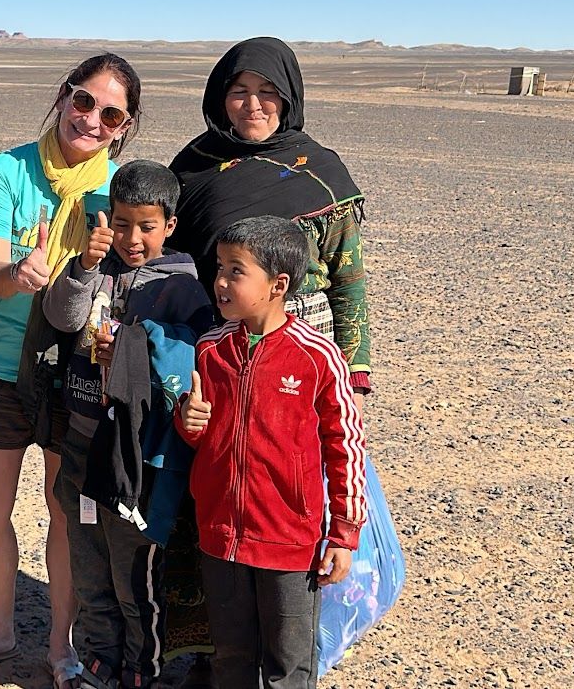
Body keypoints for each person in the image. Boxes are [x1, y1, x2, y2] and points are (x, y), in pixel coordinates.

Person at [165, 37, 374, 685]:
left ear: (288, 98)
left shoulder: (321, 170)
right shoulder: (194, 166)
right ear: (218, 97)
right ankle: (206, 654)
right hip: (215, 347)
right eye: (238, 91)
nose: (251, 105)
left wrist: (355, 367)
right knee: (209, 499)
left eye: (266, 92)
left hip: (301, 350)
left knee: (295, 497)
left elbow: (349, 278)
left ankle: (294, 656)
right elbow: (167, 256)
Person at [0, 54, 142, 688]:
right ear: (63, 96)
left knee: (66, 515)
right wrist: (17, 275)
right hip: (0, 366)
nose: (91, 119)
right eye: (83, 101)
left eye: (110, 113)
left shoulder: (121, 191)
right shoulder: (6, 171)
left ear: (123, 126)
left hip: (78, 371)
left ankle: (63, 645)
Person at [175, 215, 367, 689]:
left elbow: (346, 445)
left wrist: (343, 534)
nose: (219, 281)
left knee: (288, 664)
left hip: (288, 539)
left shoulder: (317, 355)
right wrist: (188, 421)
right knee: (231, 658)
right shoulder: (211, 349)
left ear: (278, 284)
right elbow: (203, 435)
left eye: (236, 270)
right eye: (218, 267)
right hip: (220, 534)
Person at [42, 160, 213, 689]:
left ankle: (140, 669)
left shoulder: (185, 289)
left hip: (135, 459)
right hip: (81, 442)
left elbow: (191, 360)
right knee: (88, 563)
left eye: (146, 226)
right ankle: (98, 661)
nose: (131, 238)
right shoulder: (97, 268)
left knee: (134, 574)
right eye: (120, 224)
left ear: (170, 227)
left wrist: (140, 344)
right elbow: (62, 318)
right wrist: (83, 270)